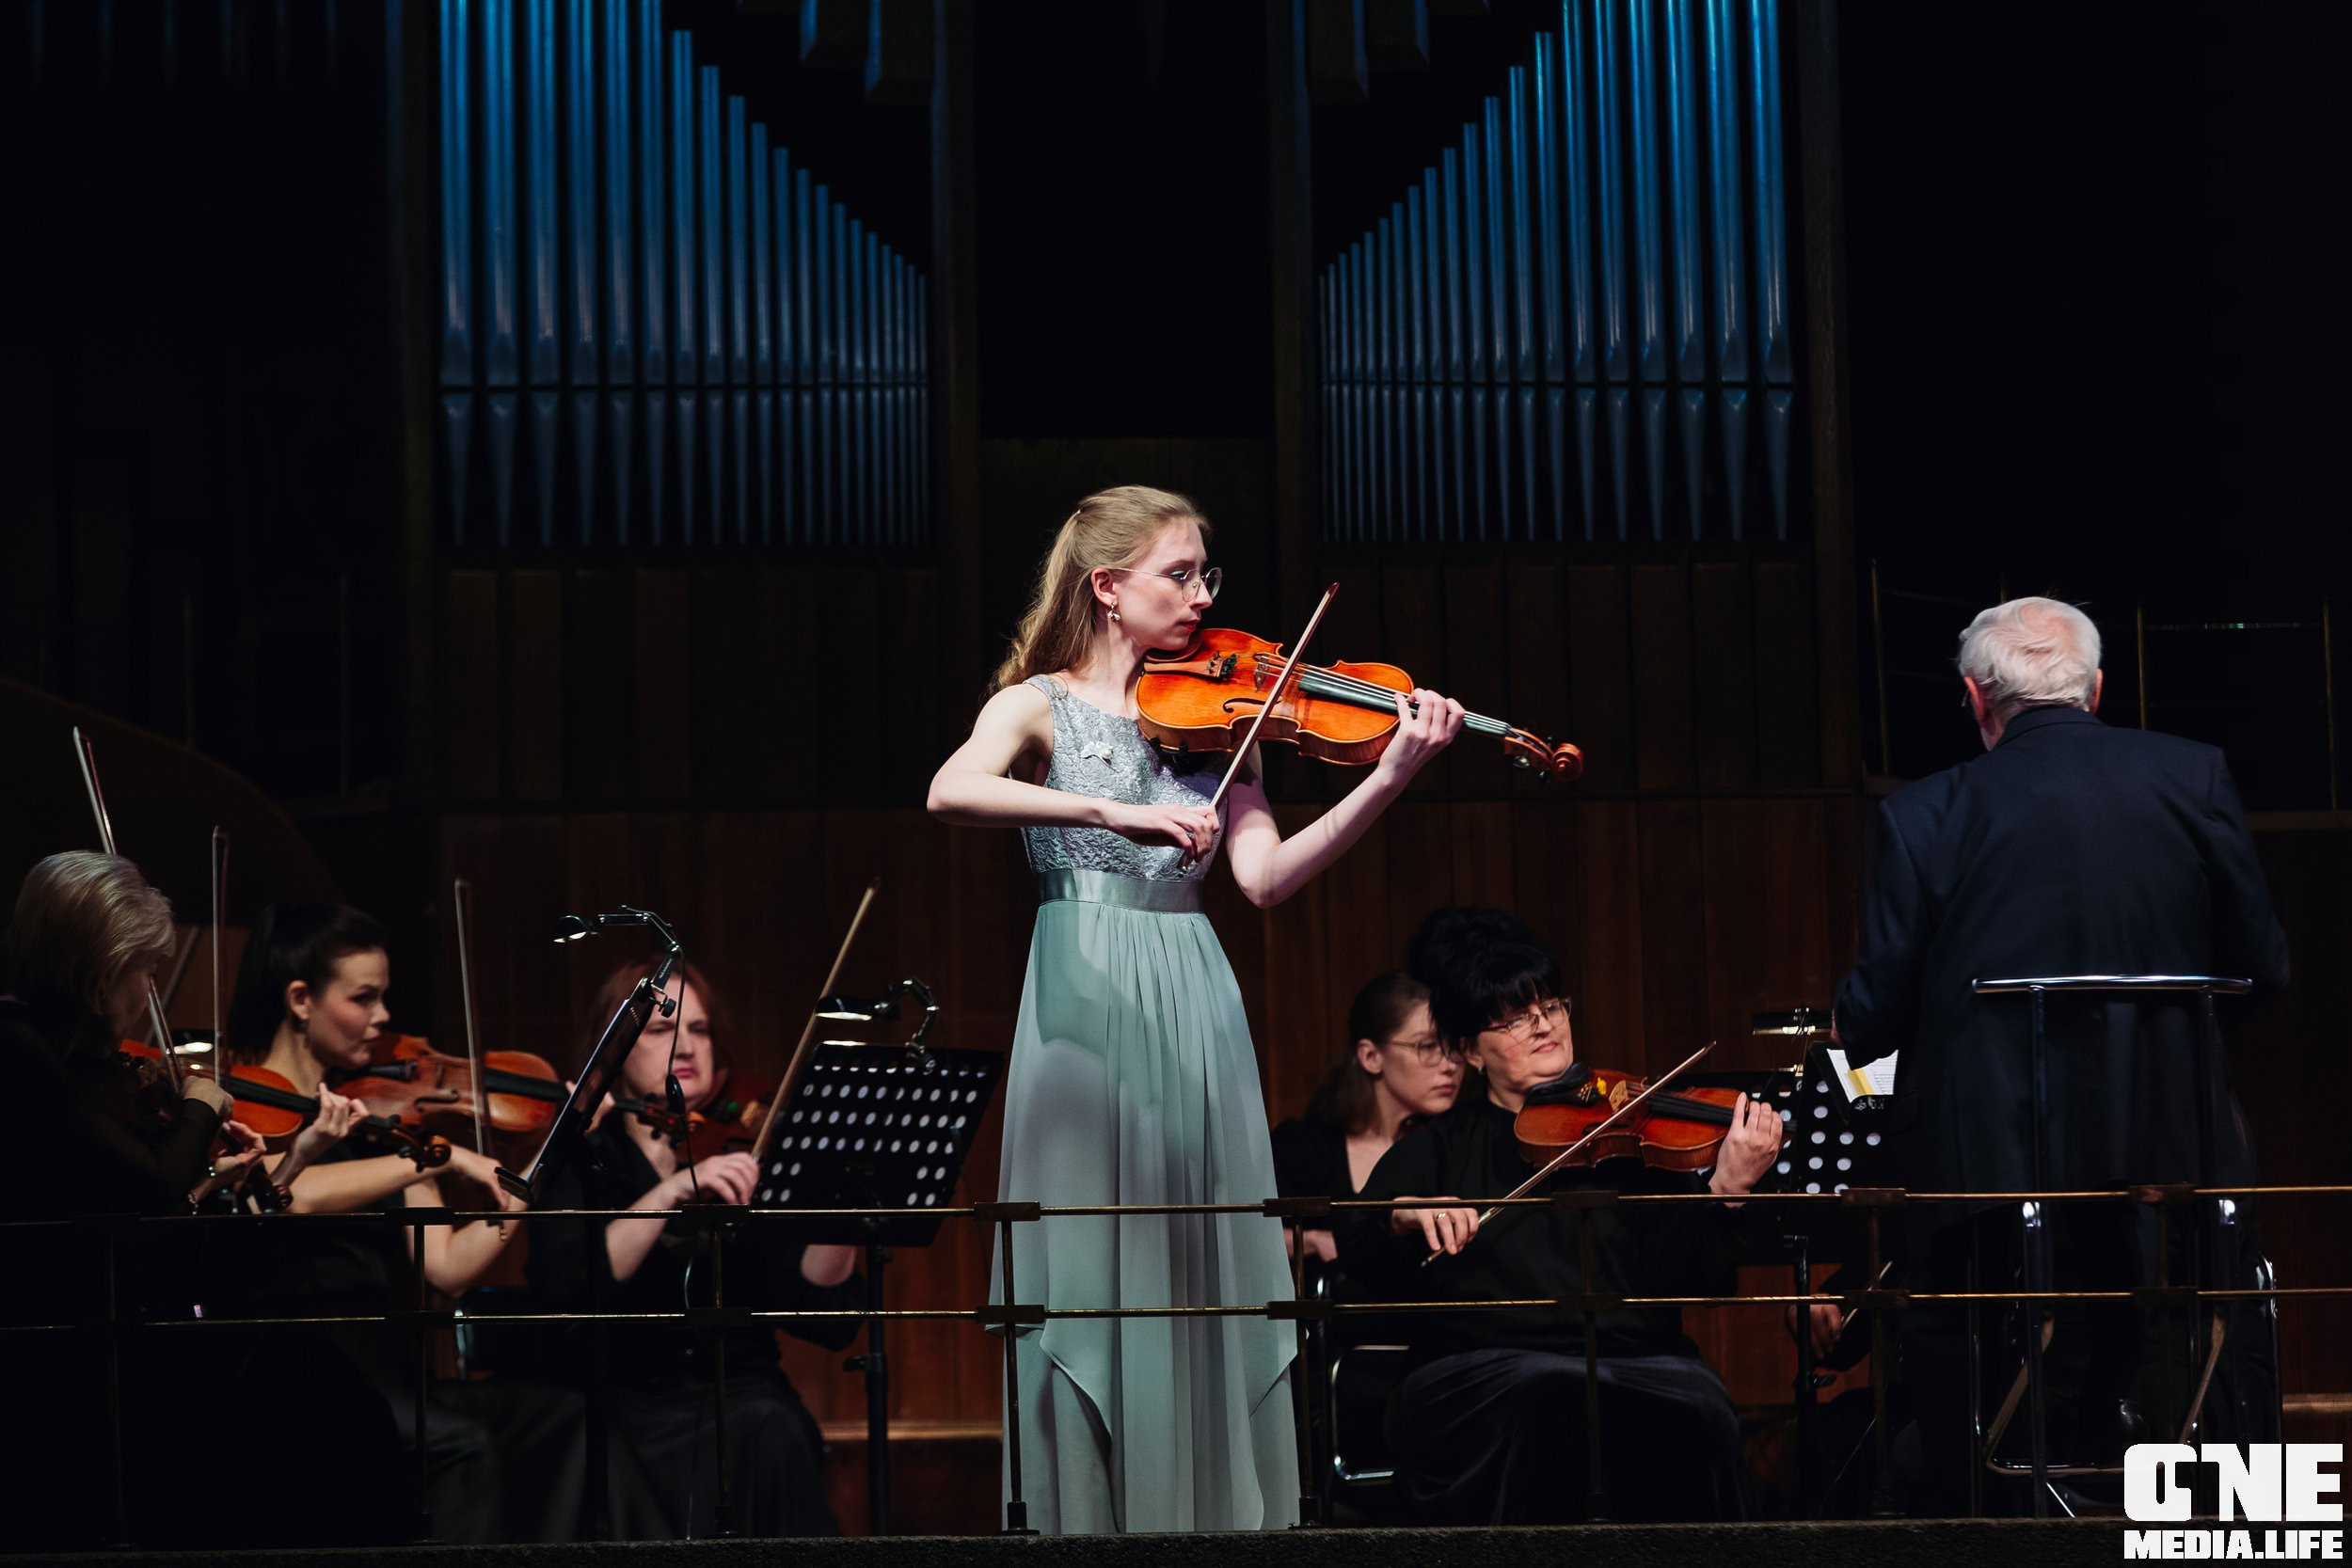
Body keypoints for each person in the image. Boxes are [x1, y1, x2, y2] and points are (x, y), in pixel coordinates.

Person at [927, 483, 1466, 1533]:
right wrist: (1113, 809)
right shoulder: (1035, 703)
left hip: (1191, 986)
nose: (1202, 593)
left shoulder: (1228, 718)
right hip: (1081, 980)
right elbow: (952, 789)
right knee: (1087, 1258)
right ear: (1108, 588)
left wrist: (1391, 774)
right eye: (1179, 572)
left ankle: (1209, 1525)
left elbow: (1264, 878)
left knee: (1200, 1251)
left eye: (1206, 572)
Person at [1832, 596, 2290, 1511]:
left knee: (1937, 1302)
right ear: (2095, 688)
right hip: (2171, 1149)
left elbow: (1872, 1019)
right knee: (2185, 1283)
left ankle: (1980, 1511)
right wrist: (2161, 1058)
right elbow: (2264, 969)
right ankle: (2217, 1508)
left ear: (1973, 698)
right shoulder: (2193, 775)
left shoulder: (1924, 813)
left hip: (1986, 1170)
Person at [1337, 935, 1782, 1524]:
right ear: (1471, 1051)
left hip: (1638, 1358)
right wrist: (1404, 1211)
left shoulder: (1628, 1134)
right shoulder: (1440, 1149)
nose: (1542, 1025)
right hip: (1481, 1367)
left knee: (1702, 1409)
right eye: (1515, 1020)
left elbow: (1691, 1277)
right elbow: (1358, 1248)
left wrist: (1726, 1188)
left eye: (1550, 1007)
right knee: (1549, 1396)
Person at [223, 901, 583, 1544]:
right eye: (364, 997)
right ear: (300, 998)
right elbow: (292, 1191)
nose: (384, 1017)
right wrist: (432, 1158)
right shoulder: (251, 1106)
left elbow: (445, 1267)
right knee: (463, 1445)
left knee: (559, 1418)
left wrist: (532, 1174)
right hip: (299, 1379)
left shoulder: (381, 1121)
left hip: (382, 1377)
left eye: (383, 996)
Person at [529, 958, 862, 1538]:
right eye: (660, 1029)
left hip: (745, 1394)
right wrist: (671, 1190)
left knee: (770, 1427)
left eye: (700, 1029)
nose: (686, 1045)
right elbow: (572, 1284)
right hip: (625, 1406)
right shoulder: (582, 1153)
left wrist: (843, 1212)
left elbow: (821, 1314)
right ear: (612, 1052)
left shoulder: (747, 1149)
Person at [1271, 971, 1460, 1271]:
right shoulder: (1304, 1148)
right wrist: (1312, 1240)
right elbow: (1241, 1238)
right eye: (1427, 1046)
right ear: (1371, 1056)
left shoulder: (1455, 1144)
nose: (1450, 1065)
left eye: (1452, 1047)